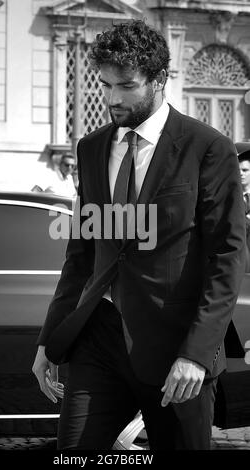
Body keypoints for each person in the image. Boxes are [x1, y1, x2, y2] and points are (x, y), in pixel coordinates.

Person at [32, 20, 245, 450]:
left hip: (175, 348)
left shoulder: (208, 147)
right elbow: (82, 252)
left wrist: (196, 354)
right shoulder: (91, 147)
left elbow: (226, 255)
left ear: (160, 79)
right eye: (105, 85)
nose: (112, 98)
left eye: (126, 86)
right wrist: (50, 341)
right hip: (98, 340)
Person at [236, 142, 250, 272]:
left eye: (245, 170)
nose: (241, 174)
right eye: (238, 170)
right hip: (240, 265)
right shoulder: (230, 199)